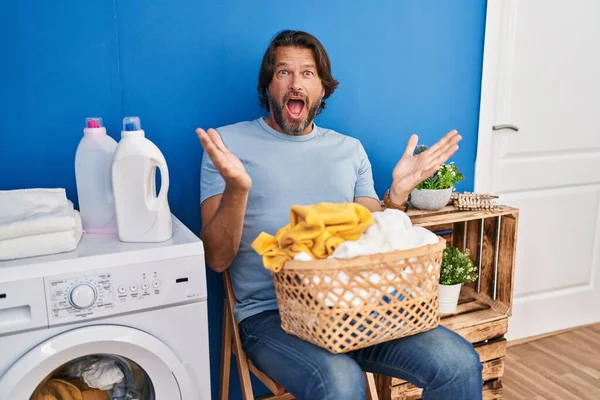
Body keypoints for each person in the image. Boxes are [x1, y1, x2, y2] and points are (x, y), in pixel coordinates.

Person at [197, 30, 482, 400]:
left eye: (308, 74)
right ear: (268, 85)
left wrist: (397, 195)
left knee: (458, 363)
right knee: (340, 382)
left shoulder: (349, 150)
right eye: (283, 72)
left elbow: (373, 242)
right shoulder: (226, 145)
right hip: (271, 315)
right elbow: (217, 259)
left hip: (353, 308)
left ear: (323, 89)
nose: (296, 82)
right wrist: (237, 188)